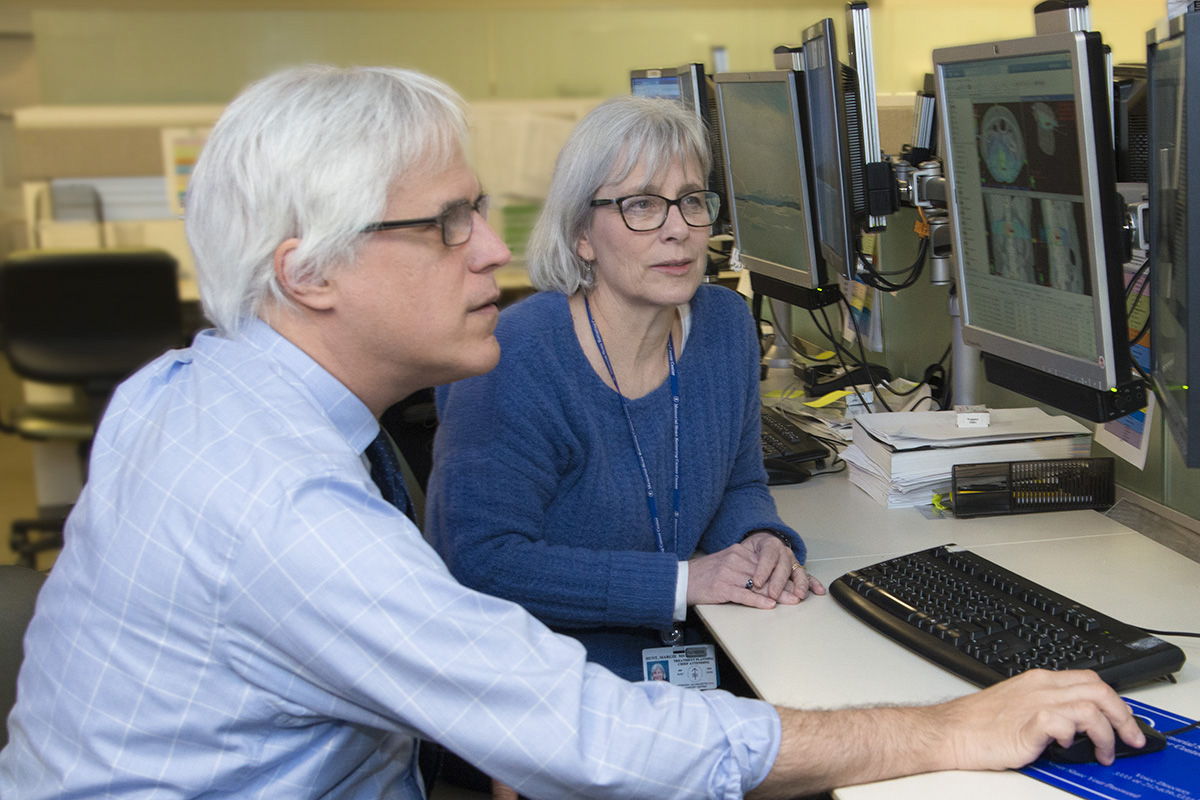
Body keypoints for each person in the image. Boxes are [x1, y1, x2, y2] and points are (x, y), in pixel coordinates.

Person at [0, 65, 1146, 800]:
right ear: (307, 272)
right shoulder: (286, 510)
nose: (490, 252)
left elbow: (730, 490)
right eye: (445, 225)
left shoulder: (185, 388)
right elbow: (577, 726)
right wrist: (945, 727)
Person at [427, 96, 823, 684]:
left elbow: (740, 482)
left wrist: (759, 538)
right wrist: (687, 581)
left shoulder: (725, 326)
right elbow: (482, 560)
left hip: (700, 654)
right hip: (553, 674)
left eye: (692, 201)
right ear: (582, 234)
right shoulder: (519, 354)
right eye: (642, 205)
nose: (678, 231)